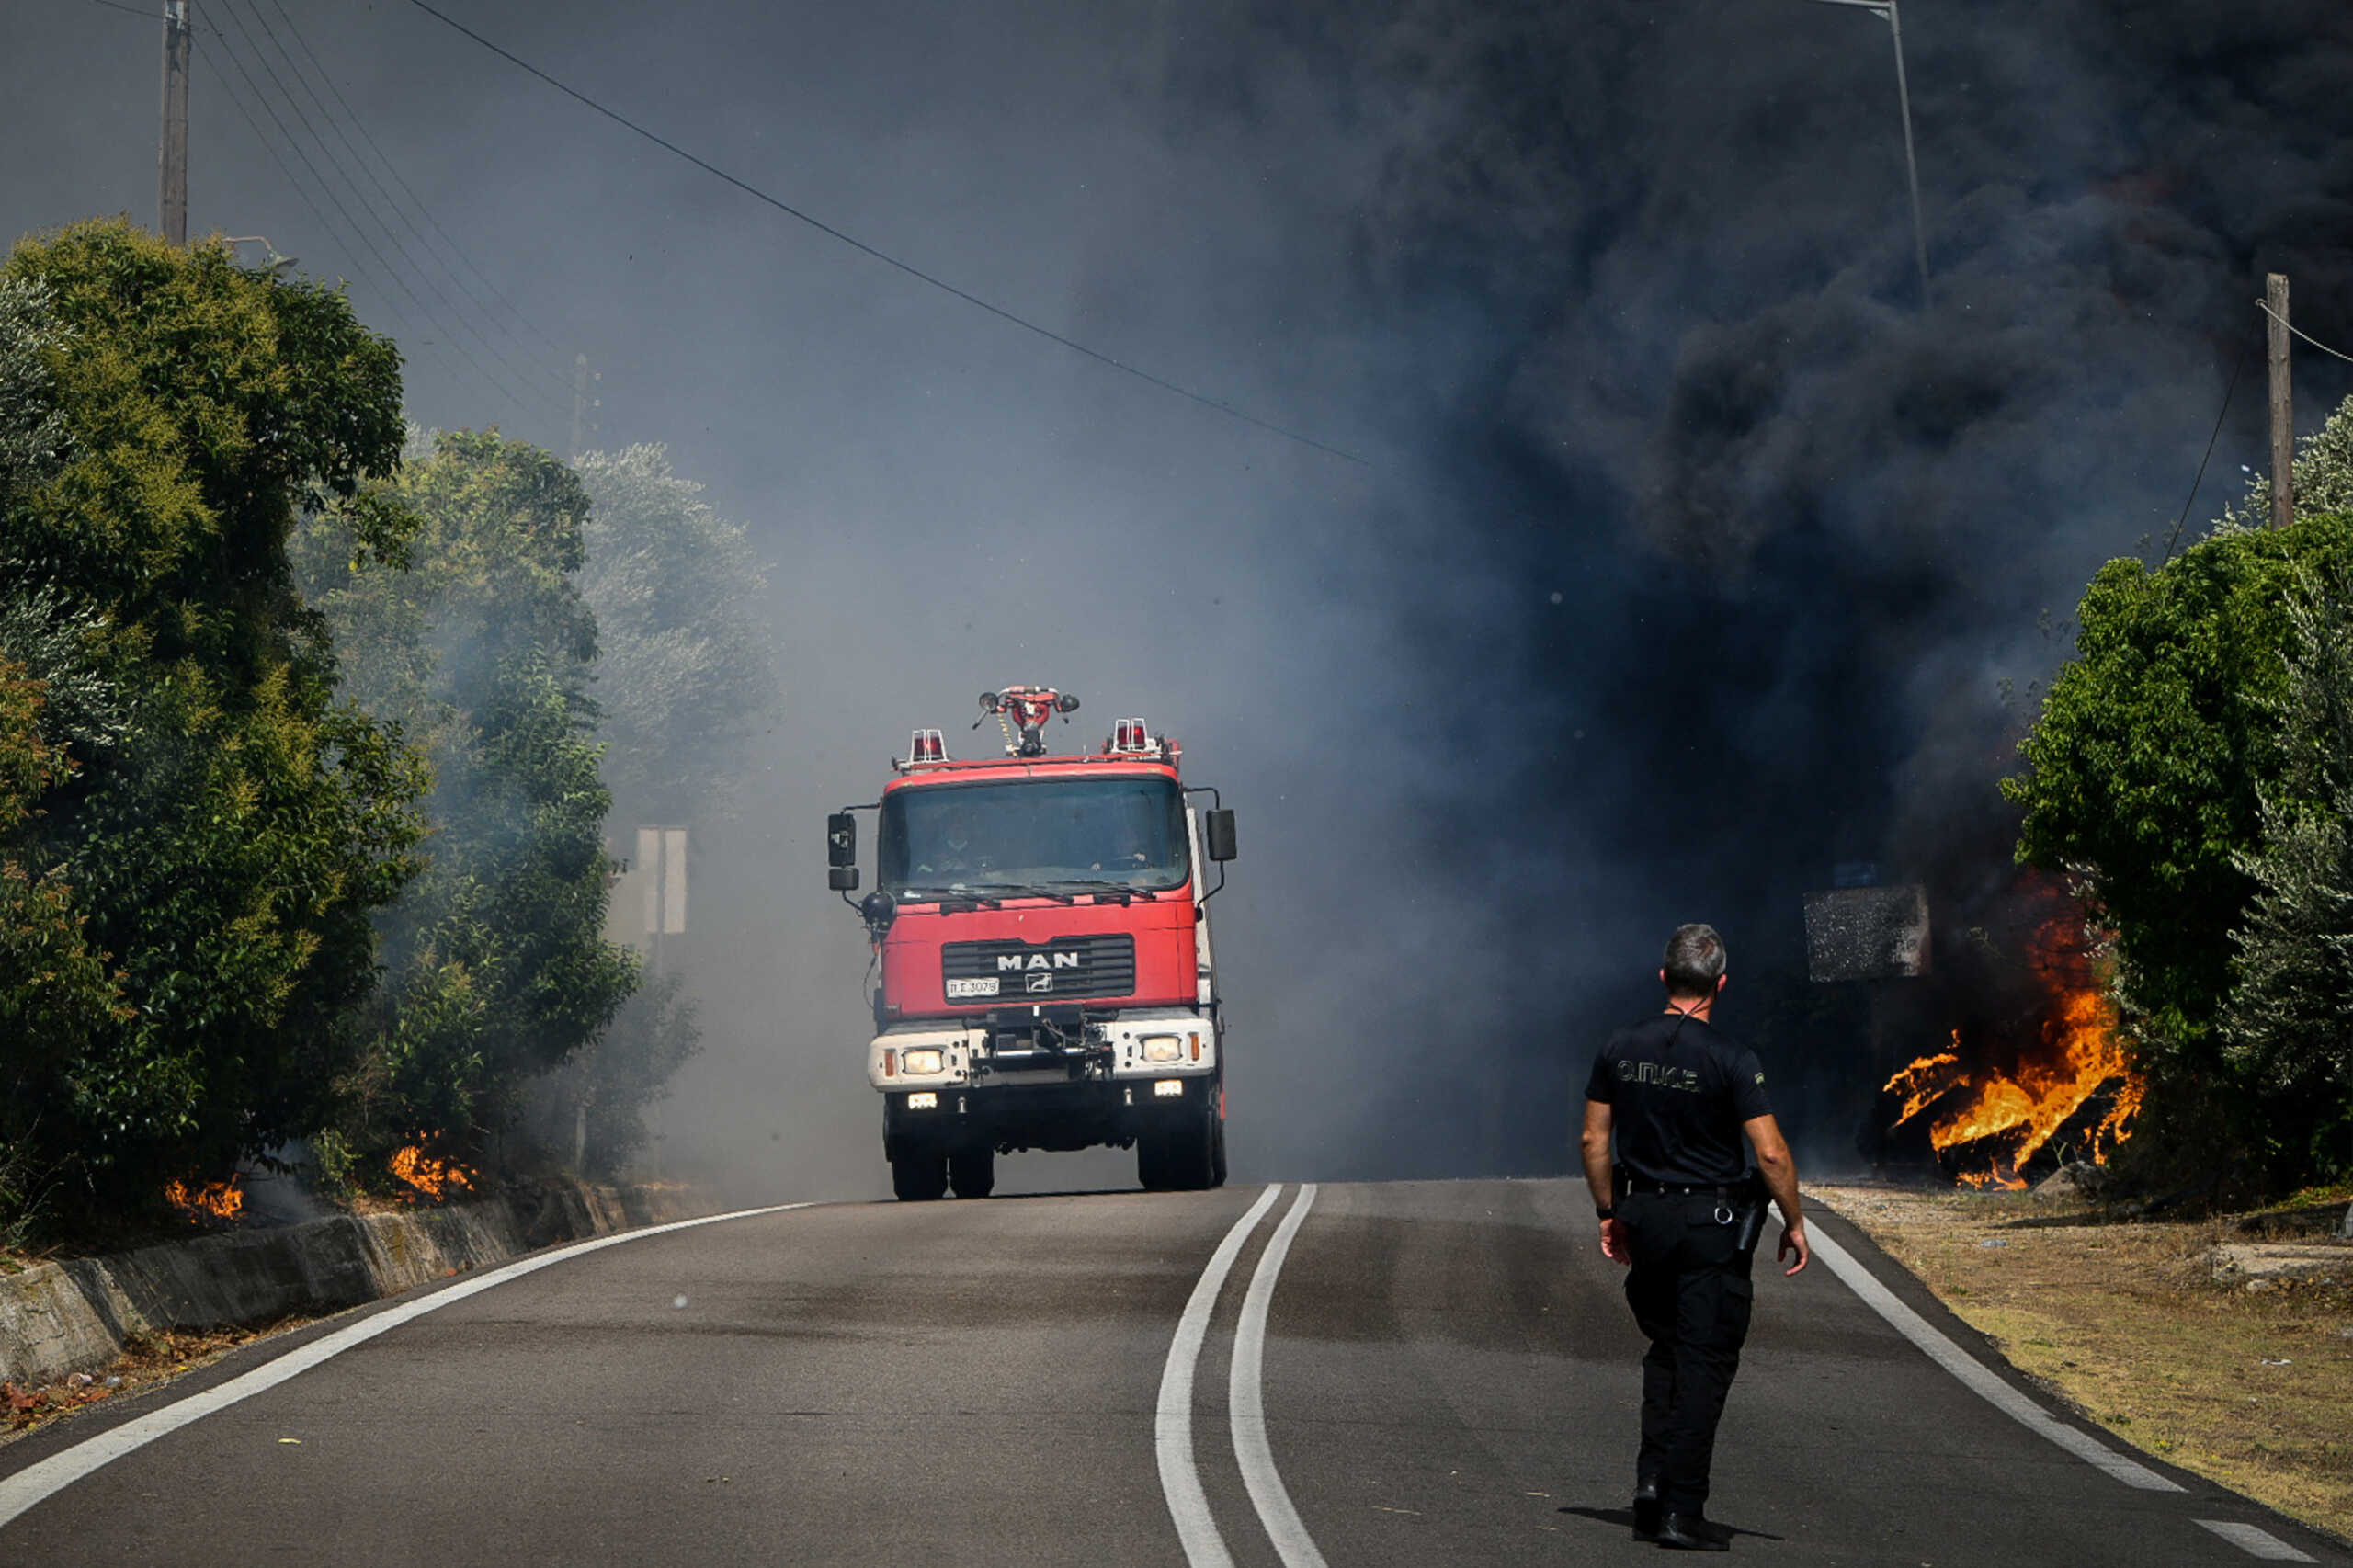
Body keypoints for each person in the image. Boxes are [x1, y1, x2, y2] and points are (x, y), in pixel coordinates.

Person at [1581, 923, 1810, 1551]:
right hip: (1710, 1230)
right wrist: (1792, 1220)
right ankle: (1683, 1510)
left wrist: (1608, 1211)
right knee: (1705, 1364)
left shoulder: (1619, 1048)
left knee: (1666, 1350)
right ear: (1720, 984)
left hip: (1645, 1219)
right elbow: (1770, 1155)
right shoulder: (1732, 1058)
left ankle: (1651, 1486)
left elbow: (1593, 1140)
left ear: (1663, 977)